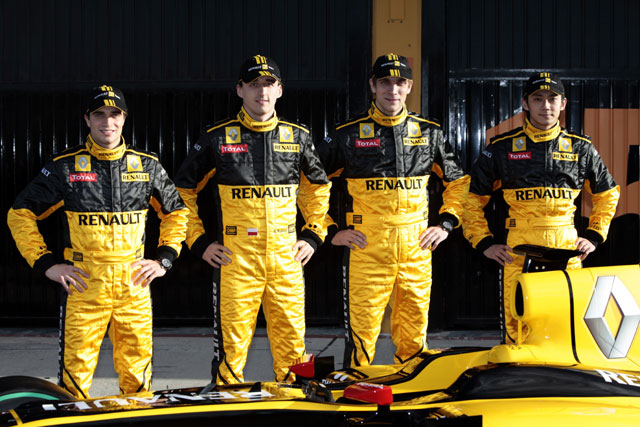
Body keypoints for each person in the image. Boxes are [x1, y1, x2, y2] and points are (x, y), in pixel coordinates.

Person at [7, 85, 189, 398]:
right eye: (99, 114)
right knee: (74, 380)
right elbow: (19, 214)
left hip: (133, 282)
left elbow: (177, 213)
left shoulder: (147, 165)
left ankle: (135, 419)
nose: (108, 121)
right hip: (84, 283)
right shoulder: (65, 166)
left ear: (124, 118)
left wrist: (164, 260)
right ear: (87, 119)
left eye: (114, 114)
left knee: (137, 377)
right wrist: (45, 263)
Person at [173, 55, 331, 384]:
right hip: (236, 260)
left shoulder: (298, 136)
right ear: (240, 90)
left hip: (286, 258)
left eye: (269, 84)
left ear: (280, 90)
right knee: (231, 352)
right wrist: (198, 241)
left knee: (294, 350)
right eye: (254, 84)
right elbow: (181, 192)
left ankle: (293, 404)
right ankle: (228, 405)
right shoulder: (217, 137)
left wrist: (313, 234)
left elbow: (317, 188)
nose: (262, 91)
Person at [318, 54, 469, 368]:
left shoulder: (429, 132)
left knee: (414, 338)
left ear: (410, 86)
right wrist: (329, 230)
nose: (393, 89)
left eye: (400, 82)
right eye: (385, 82)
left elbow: (458, 182)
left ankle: (409, 390)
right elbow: (310, 181)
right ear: (373, 85)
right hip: (366, 248)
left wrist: (445, 224)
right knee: (361, 339)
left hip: (416, 248)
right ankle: (357, 390)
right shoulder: (348, 134)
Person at [463, 72, 620, 343]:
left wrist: (594, 235)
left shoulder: (581, 148)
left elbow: (608, 194)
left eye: (552, 99)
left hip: (566, 248)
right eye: (538, 99)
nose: (545, 106)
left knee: (566, 325)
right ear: (525, 103)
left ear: (563, 103)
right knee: (518, 327)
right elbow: (470, 198)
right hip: (519, 249)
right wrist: (483, 242)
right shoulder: (502, 147)